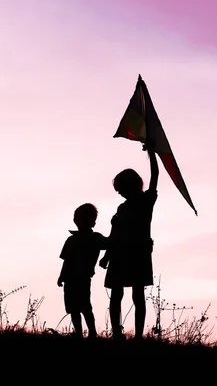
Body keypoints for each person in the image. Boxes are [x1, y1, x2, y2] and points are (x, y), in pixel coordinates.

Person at [99, 139, 159, 341]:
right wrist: (107, 256)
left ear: (130, 185)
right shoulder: (122, 208)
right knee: (116, 294)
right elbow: (114, 233)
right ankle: (117, 332)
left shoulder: (145, 201)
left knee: (137, 295)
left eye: (121, 188)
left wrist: (151, 153)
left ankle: (139, 335)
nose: (119, 193)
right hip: (119, 254)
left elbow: (155, 176)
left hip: (137, 253)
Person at [57, 203, 107, 339]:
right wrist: (61, 276)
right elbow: (66, 261)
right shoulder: (78, 239)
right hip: (73, 278)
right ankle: (82, 332)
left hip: (81, 278)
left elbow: (111, 244)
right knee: (77, 308)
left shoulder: (92, 238)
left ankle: (90, 332)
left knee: (83, 307)